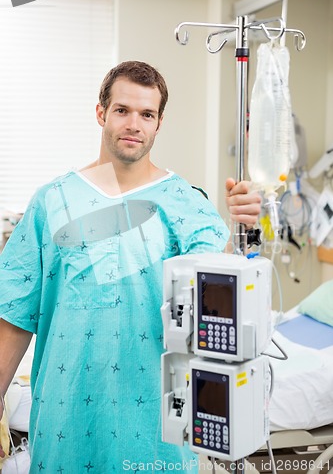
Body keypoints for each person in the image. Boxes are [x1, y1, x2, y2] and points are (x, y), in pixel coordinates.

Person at [0, 61, 261, 472]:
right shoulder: (51, 200)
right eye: (122, 110)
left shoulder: (186, 202)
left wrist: (244, 227)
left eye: (147, 114)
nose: (133, 123)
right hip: (65, 419)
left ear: (159, 124)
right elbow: (14, 313)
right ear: (101, 113)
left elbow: (219, 285)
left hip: (156, 428)